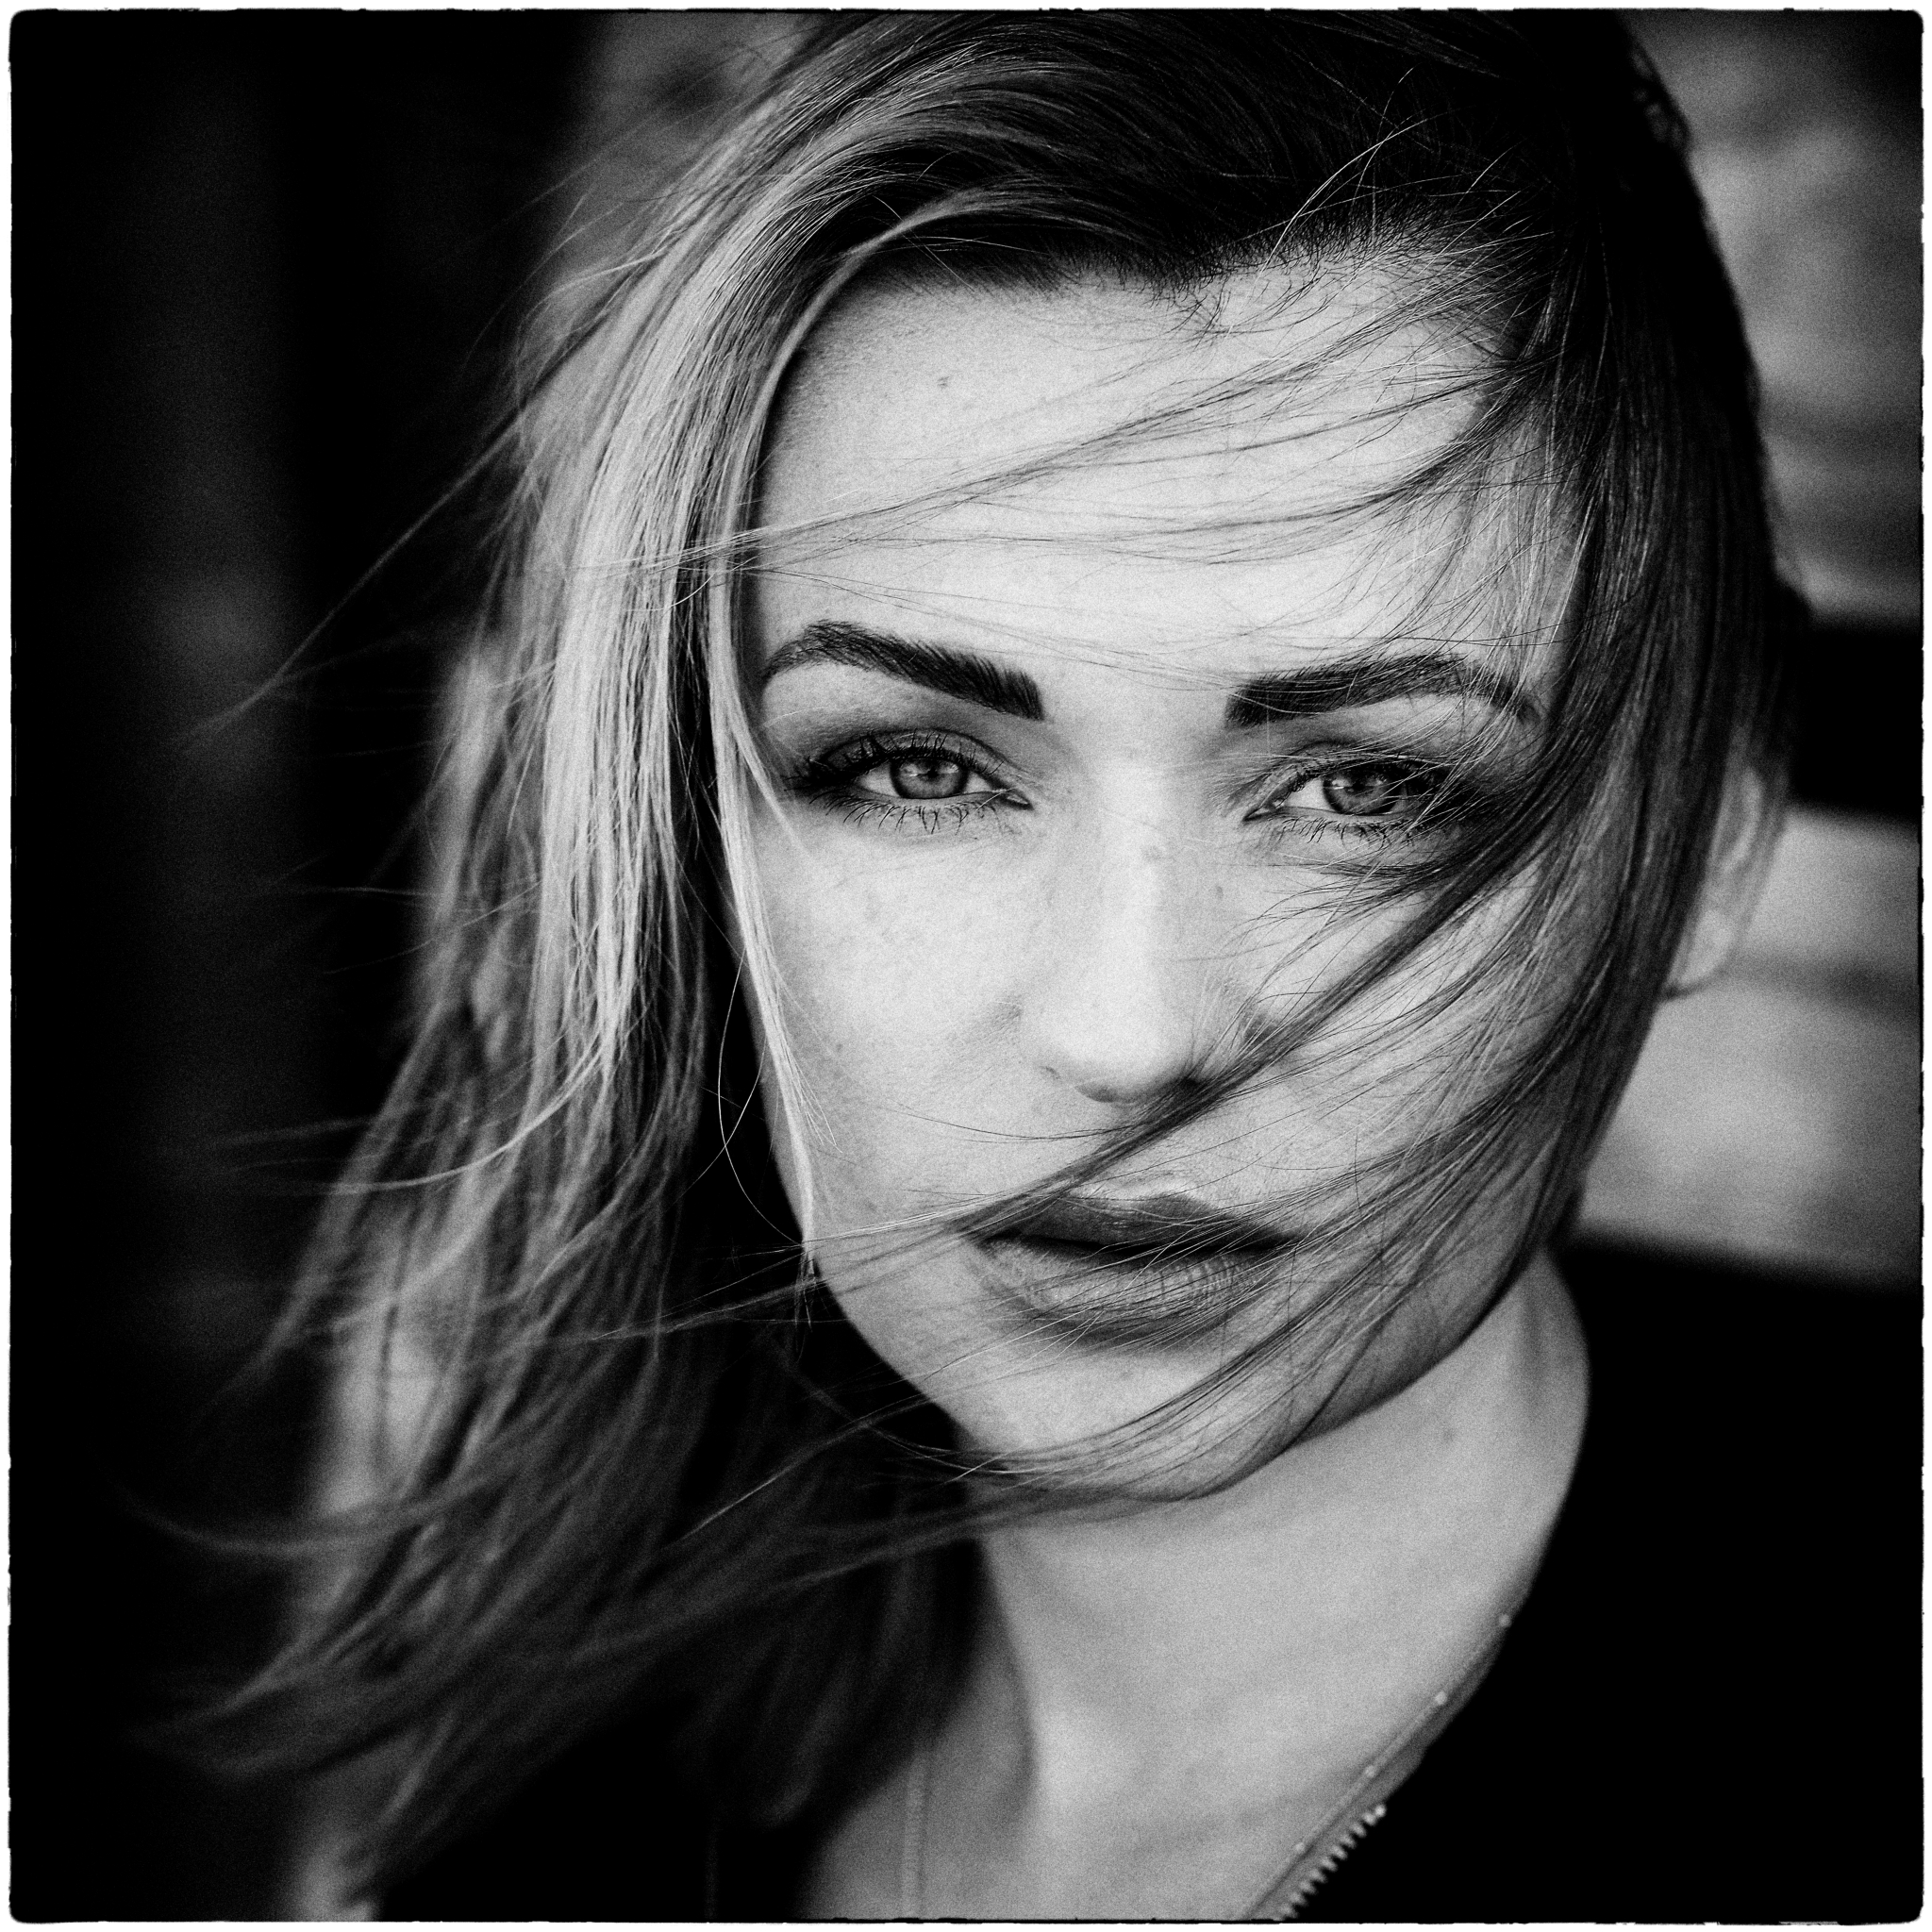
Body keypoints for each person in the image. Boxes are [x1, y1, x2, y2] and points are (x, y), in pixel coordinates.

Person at [227, 14, 1919, 1921]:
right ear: (701, 840)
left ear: (1711, 836)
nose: (1129, 1032)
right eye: (917, 768)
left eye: (1365, 788)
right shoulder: (553, 1853)